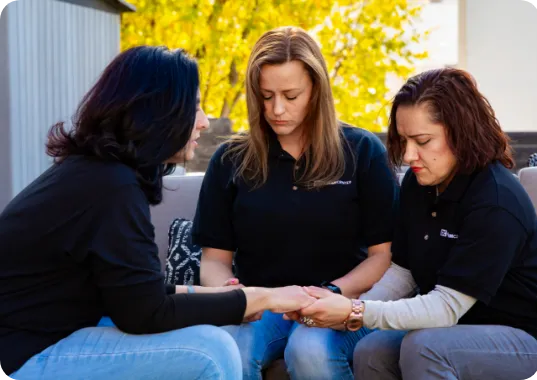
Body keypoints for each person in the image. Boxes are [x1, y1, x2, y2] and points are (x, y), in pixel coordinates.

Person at [0, 46, 316, 380]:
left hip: (44, 337)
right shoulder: (109, 186)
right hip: (20, 355)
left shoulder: (99, 174)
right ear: (158, 113)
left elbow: (140, 294)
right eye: (194, 108)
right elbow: (145, 313)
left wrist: (239, 298)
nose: (205, 122)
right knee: (210, 351)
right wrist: (261, 298)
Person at [287, 67, 537, 380]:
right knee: (372, 349)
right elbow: (403, 272)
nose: (408, 155)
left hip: (524, 336)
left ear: (461, 133)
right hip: (456, 327)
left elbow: (445, 307)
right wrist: (349, 309)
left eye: (422, 140)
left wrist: (356, 311)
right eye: (404, 140)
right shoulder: (419, 185)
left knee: (423, 347)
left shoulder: (496, 202)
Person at [191, 26, 399, 380]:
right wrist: (232, 294)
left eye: (291, 95)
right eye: (266, 95)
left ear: (316, 90)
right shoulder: (230, 159)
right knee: (228, 349)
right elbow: (214, 259)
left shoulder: (362, 152)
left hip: (338, 302)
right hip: (264, 305)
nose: (277, 109)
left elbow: (384, 256)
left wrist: (331, 293)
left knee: (308, 350)